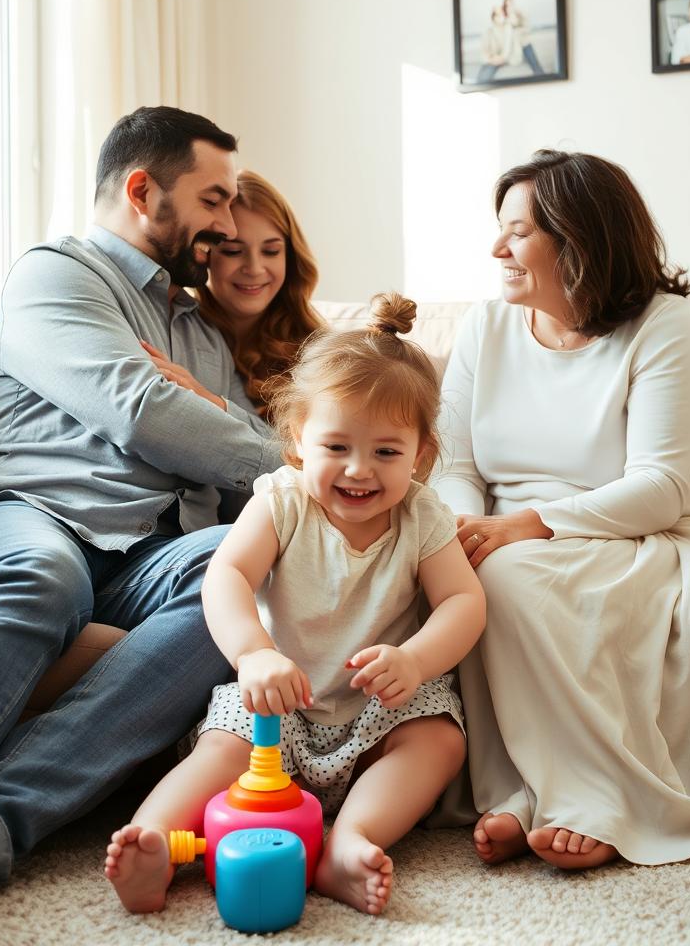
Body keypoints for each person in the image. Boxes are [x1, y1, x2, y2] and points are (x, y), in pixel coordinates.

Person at [0, 106, 284, 946]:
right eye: (215, 199)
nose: (229, 226)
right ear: (140, 190)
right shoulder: (58, 273)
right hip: (21, 519)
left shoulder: (202, 336)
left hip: (144, 559)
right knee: (46, 573)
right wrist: (285, 461)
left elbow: (236, 474)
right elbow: (139, 410)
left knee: (247, 573)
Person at [104, 293, 486, 916]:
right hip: (276, 707)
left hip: (380, 709)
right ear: (298, 440)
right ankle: (154, 843)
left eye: (386, 452)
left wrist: (416, 661)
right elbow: (227, 573)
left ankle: (349, 841)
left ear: (420, 455)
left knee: (439, 739)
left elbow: (463, 603)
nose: (359, 470)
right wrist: (253, 654)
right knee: (220, 750)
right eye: (336, 447)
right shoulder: (282, 502)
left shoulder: (423, 515)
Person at [432, 149, 690, 870]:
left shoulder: (662, 325)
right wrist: (461, 527)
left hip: (647, 528)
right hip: (507, 531)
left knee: (507, 578)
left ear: (577, 240)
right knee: (475, 572)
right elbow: (453, 465)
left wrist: (522, 528)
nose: (496, 248)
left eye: (516, 232)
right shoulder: (486, 328)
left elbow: (662, 484)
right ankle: (527, 790)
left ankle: (593, 799)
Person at [197, 170, 325, 414]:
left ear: (290, 256)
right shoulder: (178, 334)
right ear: (205, 255)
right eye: (233, 251)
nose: (254, 269)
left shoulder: (319, 353)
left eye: (271, 251)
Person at [475, 5, 523, 84]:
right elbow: (483, 50)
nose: (501, 17)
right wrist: (490, 58)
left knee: (488, 70)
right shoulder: (490, 31)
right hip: (495, 59)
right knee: (484, 70)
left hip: (509, 58)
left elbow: (507, 51)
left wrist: (499, 59)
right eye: (498, 15)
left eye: (502, 14)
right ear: (494, 17)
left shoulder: (508, 28)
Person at [502, 0, 543, 75]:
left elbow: (528, 28)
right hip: (513, 47)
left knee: (535, 65)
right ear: (505, 6)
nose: (510, 6)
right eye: (508, 5)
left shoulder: (520, 14)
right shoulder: (505, 19)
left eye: (511, 3)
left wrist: (518, 30)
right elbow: (505, 36)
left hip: (525, 43)